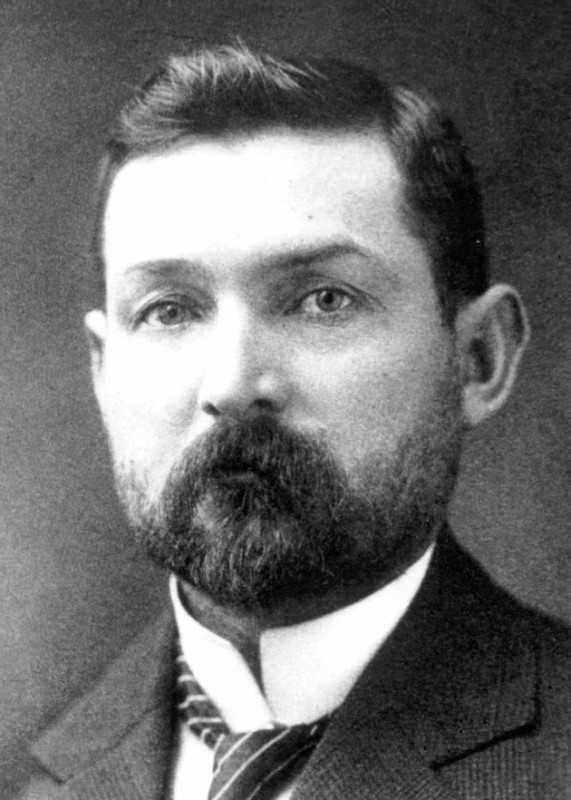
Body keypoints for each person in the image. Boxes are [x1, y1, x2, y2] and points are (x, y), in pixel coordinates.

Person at [23, 44, 571, 799]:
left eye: (323, 300)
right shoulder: (26, 769)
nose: (234, 383)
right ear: (103, 369)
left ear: (477, 358)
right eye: (169, 310)